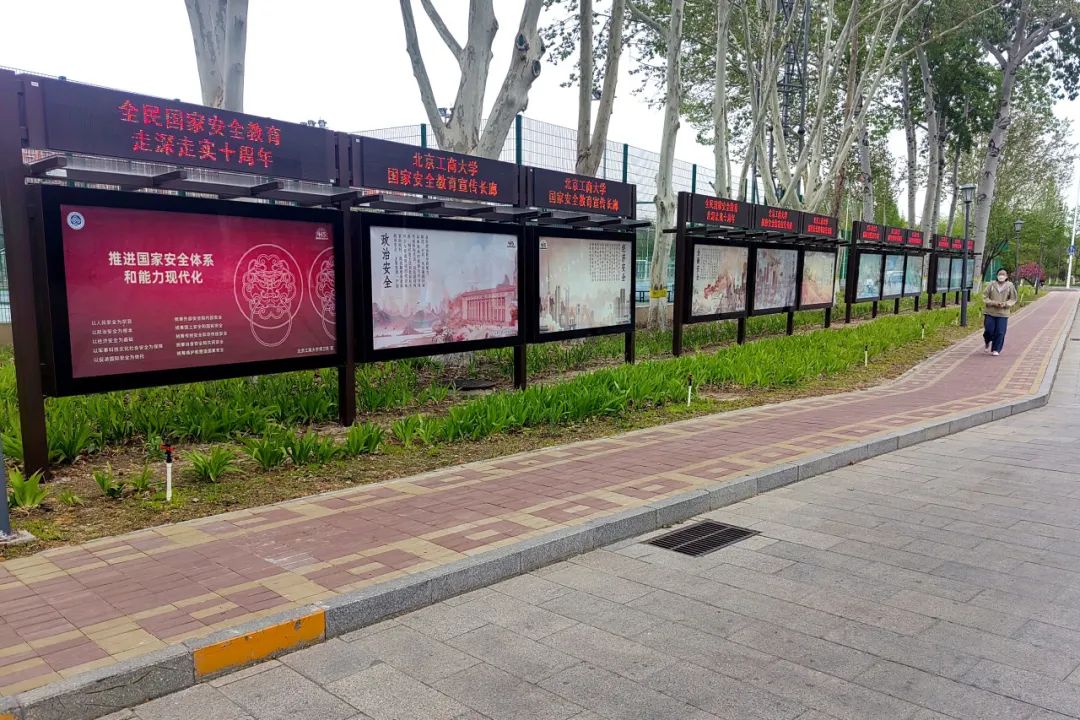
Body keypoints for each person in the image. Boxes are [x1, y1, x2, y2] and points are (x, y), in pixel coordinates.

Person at [982, 268, 1018, 356]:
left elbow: (1013, 299)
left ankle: (996, 349)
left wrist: (1005, 304)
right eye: (1000, 274)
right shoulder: (991, 285)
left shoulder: (1010, 286)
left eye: (1003, 274)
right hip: (990, 312)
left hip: (1003, 313)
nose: (1001, 276)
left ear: (1006, 276)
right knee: (989, 330)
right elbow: (984, 296)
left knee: (1000, 332)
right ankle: (987, 341)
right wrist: (993, 303)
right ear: (997, 275)